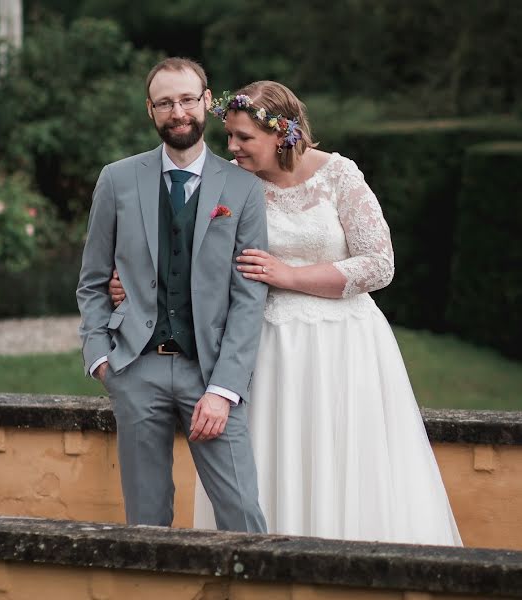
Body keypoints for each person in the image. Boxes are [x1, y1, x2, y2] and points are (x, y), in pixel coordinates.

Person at [109, 80, 462, 545]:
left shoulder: (339, 175)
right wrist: (134, 287)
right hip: (265, 349)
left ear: (282, 136)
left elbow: (380, 264)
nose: (231, 148)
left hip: (342, 345)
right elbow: (192, 264)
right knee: (265, 459)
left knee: (343, 461)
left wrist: (289, 276)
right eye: (229, 136)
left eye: (243, 138)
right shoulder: (229, 185)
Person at [76, 58, 268, 533]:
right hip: (135, 368)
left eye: (186, 99)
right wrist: (99, 355)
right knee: (146, 521)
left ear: (206, 101)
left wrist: (224, 391)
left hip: (210, 373)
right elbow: (93, 279)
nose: (177, 111)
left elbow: (249, 296)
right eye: (165, 103)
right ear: (151, 110)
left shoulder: (242, 188)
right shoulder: (117, 179)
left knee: (242, 516)